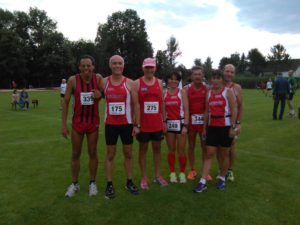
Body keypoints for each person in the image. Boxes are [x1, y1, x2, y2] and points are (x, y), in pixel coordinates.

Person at [62, 55, 102, 197]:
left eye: (88, 65)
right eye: (83, 65)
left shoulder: (98, 79)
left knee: (92, 152)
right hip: (77, 123)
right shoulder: (73, 80)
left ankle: (92, 183)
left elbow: (106, 93)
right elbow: (65, 101)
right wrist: (63, 124)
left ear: (93, 67)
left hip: (93, 123)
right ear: (79, 67)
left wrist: (100, 94)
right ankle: (74, 184)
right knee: (75, 153)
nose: (86, 68)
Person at [101, 55, 139, 199]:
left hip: (126, 124)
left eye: (120, 63)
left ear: (123, 65)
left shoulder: (130, 83)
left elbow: (136, 105)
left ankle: (129, 182)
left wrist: (137, 124)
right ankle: (109, 184)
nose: (117, 66)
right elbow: (96, 94)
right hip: (110, 124)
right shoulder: (103, 82)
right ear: (110, 65)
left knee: (128, 154)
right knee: (110, 155)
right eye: (114, 63)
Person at [194, 69, 236, 193]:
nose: (216, 80)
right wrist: (204, 128)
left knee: (224, 154)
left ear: (221, 79)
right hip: (212, 126)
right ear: (211, 80)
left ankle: (222, 178)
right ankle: (203, 181)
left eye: (218, 78)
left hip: (225, 126)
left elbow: (234, 110)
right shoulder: (209, 93)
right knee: (209, 153)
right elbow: (206, 111)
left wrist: (233, 127)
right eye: (214, 78)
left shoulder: (228, 92)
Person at [133, 57, 168, 190]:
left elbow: (162, 103)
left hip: (157, 124)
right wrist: (137, 124)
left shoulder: (159, 83)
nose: (149, 69)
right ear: (143, 68)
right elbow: (136, 105)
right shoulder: (137, 83)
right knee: (143, 150)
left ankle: (157, 175)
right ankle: (143, 177)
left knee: (157, 149)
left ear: (155, 68)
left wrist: (164, 121)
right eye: (147, 67)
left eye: (151, 67)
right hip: (144, 125)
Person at [183, 66, 210, 181]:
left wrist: (204, 126)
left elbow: (207, 108)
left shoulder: (207, 88)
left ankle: (205, 171)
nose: (197, 76)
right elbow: (186, 108)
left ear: (203, 76)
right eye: (195, 74)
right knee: (191, 146)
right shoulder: (186, 89)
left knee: (205, 147)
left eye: (199, 74)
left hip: (203, 122)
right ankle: (192, 169)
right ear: (191, 76)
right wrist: (187, 123)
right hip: (191, 122)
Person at [163, 71, 189, 183]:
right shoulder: (164, 92)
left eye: (176, 79)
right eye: (171, 79)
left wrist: (185, 126)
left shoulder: (182, 92)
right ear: (167, 80)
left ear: (178, 81)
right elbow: (162, 109)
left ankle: (182, 173)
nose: (173, 81)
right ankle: (172, 173)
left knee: (181, 150)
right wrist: (164, 122)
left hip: (181, 123)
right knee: (171, 150)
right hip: (169, 124)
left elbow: (187, 109)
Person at [221, 64, 243, 182]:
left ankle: (229, 170)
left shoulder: (237, 87)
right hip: (219, 122)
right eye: (227, 71)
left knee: (231, 145)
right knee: (220, 147)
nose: (229, 74)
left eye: (231, 72)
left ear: (234, 74)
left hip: (232, 122)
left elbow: (241, 106)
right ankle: (222, 170)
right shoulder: (217, 86)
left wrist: (238, 123)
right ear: (223, 71)